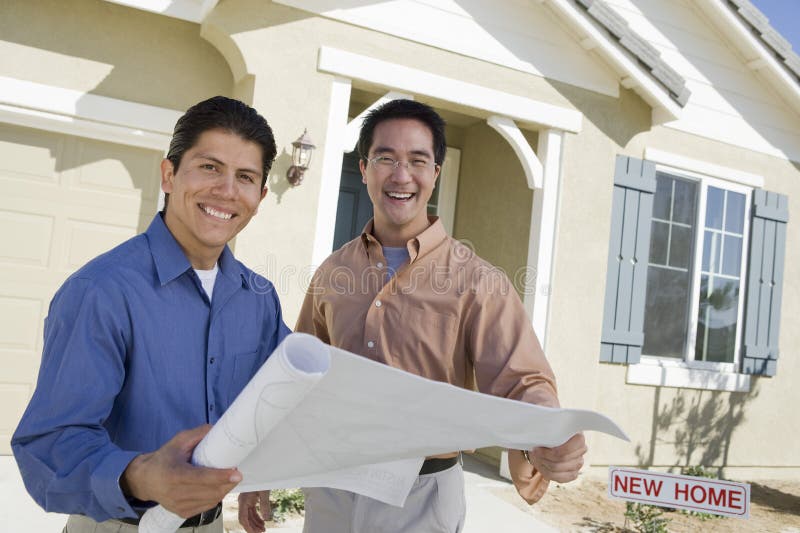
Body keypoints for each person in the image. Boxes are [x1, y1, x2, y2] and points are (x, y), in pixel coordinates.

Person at [237, 98, 587, 533]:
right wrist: (265, 468)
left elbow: (524, 382)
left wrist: (548, 435)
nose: (401, 176)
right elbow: (299, 380)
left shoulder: (479, 281)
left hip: (421, 500)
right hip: (330, 487)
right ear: (363, 169)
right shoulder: (333, 272)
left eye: (418, 160)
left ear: (435, 174)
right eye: (386, 158)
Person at [12, 96, 290, 532]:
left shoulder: (258, 297)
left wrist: (265, 470)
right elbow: (47, 447)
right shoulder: (101, 291)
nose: (227, 190)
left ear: (259, 196)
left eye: (245, 177)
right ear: (169, 174)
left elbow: (280, 398)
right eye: (210, 167)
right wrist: (142, 475)